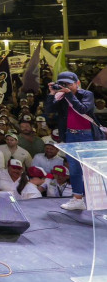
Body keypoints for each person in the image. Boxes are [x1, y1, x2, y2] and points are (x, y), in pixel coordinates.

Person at [44, 71, 101, 211]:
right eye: (63, 84)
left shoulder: (87, 94)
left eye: (69, 84)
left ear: (78, 83)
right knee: (75, 170)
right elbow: (49, 110)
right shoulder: (61, 96)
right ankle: (77, 199)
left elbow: (82, 109)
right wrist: (52, 93)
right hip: (70, 135)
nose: (66, 86)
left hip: (87, 136)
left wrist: (68, 94)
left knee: (91, 170)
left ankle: (99, 199)